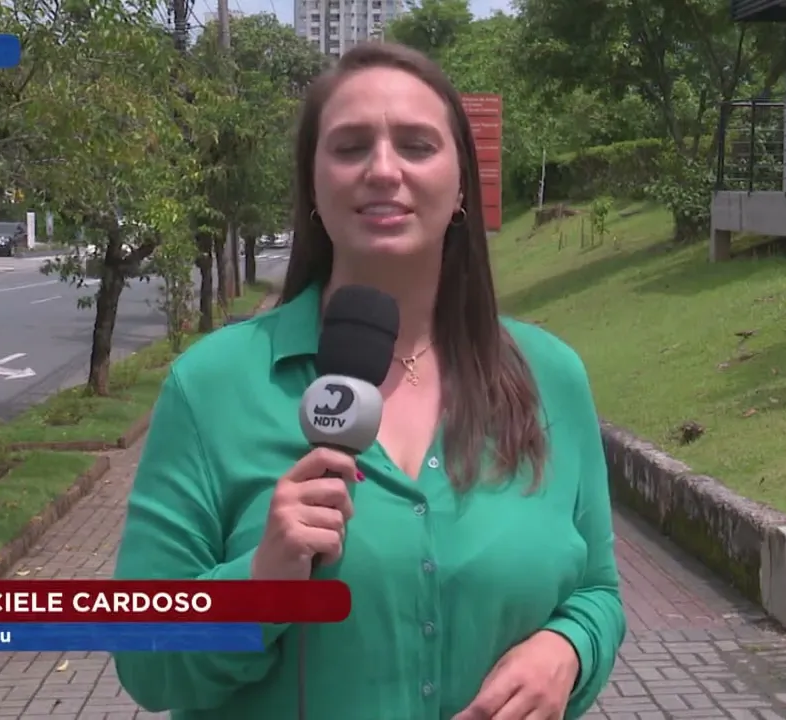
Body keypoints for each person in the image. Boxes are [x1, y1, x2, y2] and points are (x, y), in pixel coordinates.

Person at [113, 41, 626, 720]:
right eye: (351, 147)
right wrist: (263, 578)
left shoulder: (551, 377)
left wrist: (570, 649)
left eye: (416, 145)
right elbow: (145, 663)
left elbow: (598, 590)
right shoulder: (211, 386)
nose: (384, 170)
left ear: (462, 184)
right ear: (315, 188)